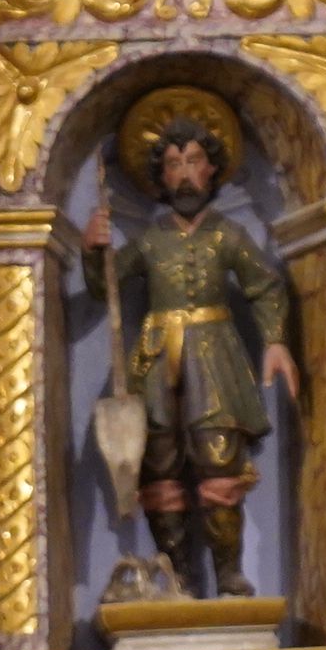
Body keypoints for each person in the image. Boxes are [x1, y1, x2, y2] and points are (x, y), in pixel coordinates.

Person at [79, 92, 299, 600]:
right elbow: (106, 287)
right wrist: (94, 249)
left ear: (211, 170)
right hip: (155, 364)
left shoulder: (228, 236)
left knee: (218, 457)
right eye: (175, 163)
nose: (184, 173)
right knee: (158, 464)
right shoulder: (151, 241)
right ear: (161, 174)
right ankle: (175, 576)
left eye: (194, 162)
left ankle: (228, 574)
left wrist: (275, 341)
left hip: (214, 361)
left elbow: (265, 285)